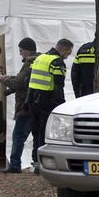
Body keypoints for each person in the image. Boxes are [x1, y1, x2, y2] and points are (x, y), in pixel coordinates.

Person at [27, 38, 73, 173]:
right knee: (44, 133)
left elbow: (28, 80)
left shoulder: (40, 58)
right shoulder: (57, 62)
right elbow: (59, 86)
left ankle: (35, 162)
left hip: (32, 100)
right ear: (64, 49)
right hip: (46, 102)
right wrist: (61, 105)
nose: (67, 56)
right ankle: (43, 164)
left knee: (35, 133)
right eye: (68, 53)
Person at [0, 37, 39, 174]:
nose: (20, 53)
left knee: (18, 136)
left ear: (26, 50)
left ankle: (14, 165)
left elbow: (20, 82)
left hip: (25, 106)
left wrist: (4, 79)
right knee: (37, 136)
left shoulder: (30, 62)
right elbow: (27, 82)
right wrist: (10, 90)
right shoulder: (39, 62)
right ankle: (37, 164)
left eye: (21, 50)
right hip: (36, 105)